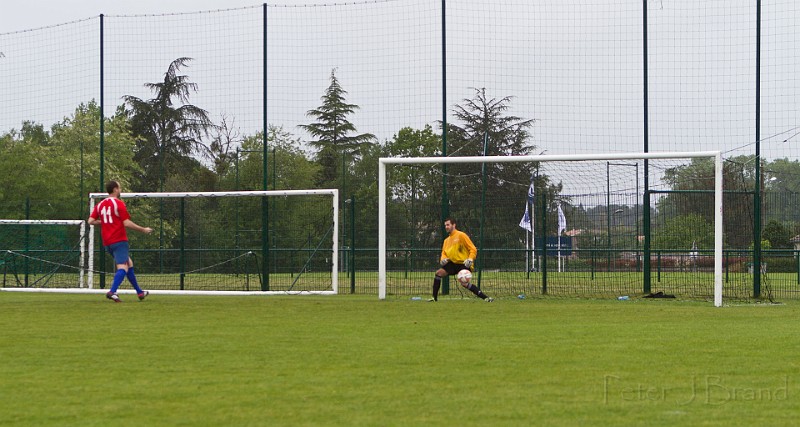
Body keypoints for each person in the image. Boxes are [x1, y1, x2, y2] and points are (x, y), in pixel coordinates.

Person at [88, 180, 153, 302]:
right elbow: (126, 223)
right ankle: (112, 291)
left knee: (129, 263)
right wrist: (143, 229)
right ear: (115, 189)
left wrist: (104, 222)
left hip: (107, 242)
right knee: (123, 267)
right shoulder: (118, 204)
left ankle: (140, 292)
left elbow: (90, 221)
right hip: (119, 240)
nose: (121, 190)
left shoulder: (100, 204)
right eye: (119, 187)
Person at [430, 217, 493, 302]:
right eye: (445, 225)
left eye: (448, 225)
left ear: (454, 225)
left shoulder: (461, 235)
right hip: (453, 263)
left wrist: (470, 259)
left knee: (464, 283)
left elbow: (473, 249)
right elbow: (443, 253)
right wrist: (443, 259)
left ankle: (485, 298)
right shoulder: (446, 241)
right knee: (438, 273)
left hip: (464, 263)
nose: (446, 227)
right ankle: (434, 298)